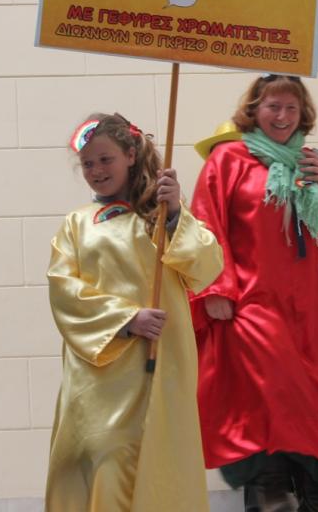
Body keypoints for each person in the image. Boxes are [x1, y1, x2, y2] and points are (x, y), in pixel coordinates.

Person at [190, 75, 318, 512]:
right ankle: (270, 496)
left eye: (291, 107)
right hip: (253, 302)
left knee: (314, 405)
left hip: (308, 308)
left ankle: (312, 499)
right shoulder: (228, 159)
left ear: (302, 113)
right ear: (254, 110)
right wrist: (217, 288)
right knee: (267, 399)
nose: (282, 116)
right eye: (273, 106)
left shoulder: (309, 161)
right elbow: (206, 225)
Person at [44, 113, 224, 512]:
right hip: (100, 371)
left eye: (105, 159)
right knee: (101, 457)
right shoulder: (75, 225)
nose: (96, 170)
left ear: (129, 154)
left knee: (154, 458)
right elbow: (64, 290)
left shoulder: (160, 215)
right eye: (88, 164)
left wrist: (174, 213)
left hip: (160, 364)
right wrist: (126, 319)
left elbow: (207, 265)